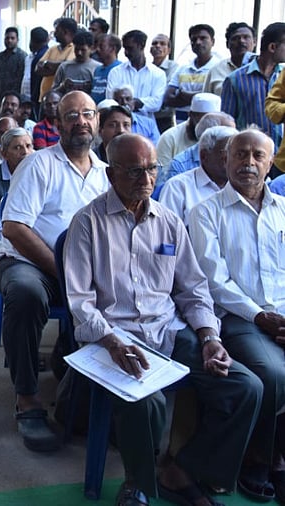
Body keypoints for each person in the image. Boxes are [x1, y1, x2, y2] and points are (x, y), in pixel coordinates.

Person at [64, 133, 261, 506]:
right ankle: (137, 482)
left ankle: (182, 470)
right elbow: (80, 301)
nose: (146, 179)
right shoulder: (87, 222)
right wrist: (112, 341)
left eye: (152, 169)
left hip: (167, 330)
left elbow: (193, 289)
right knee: (147, 402)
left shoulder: (169, 221)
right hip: (113, 336)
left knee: (245, 388)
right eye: (134, 171)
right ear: (111, 174)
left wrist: (209, 337)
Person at [0, 91, 108, 452]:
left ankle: (84, 381)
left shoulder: (106, 174)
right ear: (58, 123)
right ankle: (27, 397)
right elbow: (15, 228)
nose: (81, 121)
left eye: (88, 114)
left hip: (85, 271)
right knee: (25, 294)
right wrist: (63, 269)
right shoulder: (38, 164)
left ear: (97, 121)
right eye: (71, 115)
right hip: (33, 263)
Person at [188, 129, 285, 503]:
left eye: (258, 156)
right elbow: (214, 280)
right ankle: (261, 457)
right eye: (240, 154)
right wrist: (259, 316)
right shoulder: (206, 212)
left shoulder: (282, 210)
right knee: (273, 373)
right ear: (225, 160)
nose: (249, 163)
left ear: (270, 163)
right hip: (239, 317)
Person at [222, 22, 285, 151]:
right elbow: (226, 125)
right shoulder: (235, 79)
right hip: (250, 153)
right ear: (272, 47)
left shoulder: (282, 76)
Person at [158, 125, 236, 221]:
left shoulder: (243, 186)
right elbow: (167, 227)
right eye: (226, 153)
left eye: (237, 154)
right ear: (204, 156)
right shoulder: (178, 187)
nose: (233, 159)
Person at [0, 127, 33, 259]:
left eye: (28, 146)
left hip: (32, 236)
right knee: (9, 258)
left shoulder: (37, 175)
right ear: (4, 154)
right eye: (17, 148)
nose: (25, 152)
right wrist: (12, 241)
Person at [106, 30, 167, 140]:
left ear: (141, 46)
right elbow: (110, 101)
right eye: (125, 48)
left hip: (146, 128)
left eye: (130, 48)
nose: (126, 53)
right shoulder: (116, 72)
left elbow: (157, 103)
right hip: (119, 128)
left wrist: (136, 103)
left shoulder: (158, 74)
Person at [165, 24, 221, 122]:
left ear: (213, 41)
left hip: (208, 124)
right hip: (181, 124)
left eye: (203, 38)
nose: (198, 42)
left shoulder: (219, 68)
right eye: (194, 39)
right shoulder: (183, 68)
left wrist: (184, 95)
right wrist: (201, 96)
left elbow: (218, 99)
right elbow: (168, 99)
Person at [157, 92, 221, 167]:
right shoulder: (170, 138)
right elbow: (163, 171)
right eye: (203, 120)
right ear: (191, 115)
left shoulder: (224, 138)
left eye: (213, 121)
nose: (207, 125)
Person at [203, 22, 256, 96]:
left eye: (246, 37)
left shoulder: (264, 69)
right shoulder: (216, 71)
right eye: (235, 38)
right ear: (227, 44)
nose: (241, 41)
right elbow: (206, 99)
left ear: (254, 42)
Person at [36, 17, 78, 100]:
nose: (54, 34)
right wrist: (57, 66)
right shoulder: (52, 49)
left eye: (57, 31)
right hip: (45, 97)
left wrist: (47, 64)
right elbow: (38, 68)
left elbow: (66, 67)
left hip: (61, 99)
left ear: (65, 32)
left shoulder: (74, 48)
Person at [53, 30, 99, 95]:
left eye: (83, 50)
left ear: (91, 49)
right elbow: (53, 92)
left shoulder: (97, 68)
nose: (79, 53)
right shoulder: (64, 66)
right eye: (76, 49)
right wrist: (63, 86)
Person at [151, 34, 180, 133]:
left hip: (164, 118)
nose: (157, 46)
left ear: (169, 50)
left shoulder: (174, 67)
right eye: (154, 43)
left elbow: (166, 91)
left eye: (162, 44)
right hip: (147, 116)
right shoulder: (147, 68)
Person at [0, 28, 28, 106]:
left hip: (16, 97)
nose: (9, 40)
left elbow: (21, 79)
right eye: (7, 38)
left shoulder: (22, 56)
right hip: (1, 96)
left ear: (17, 40)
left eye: (12, 38)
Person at [91, 33, 122, 103]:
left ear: (113, 48)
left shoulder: (120, 69)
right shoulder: (97, 69)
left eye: (101, 46)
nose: (97, 49)